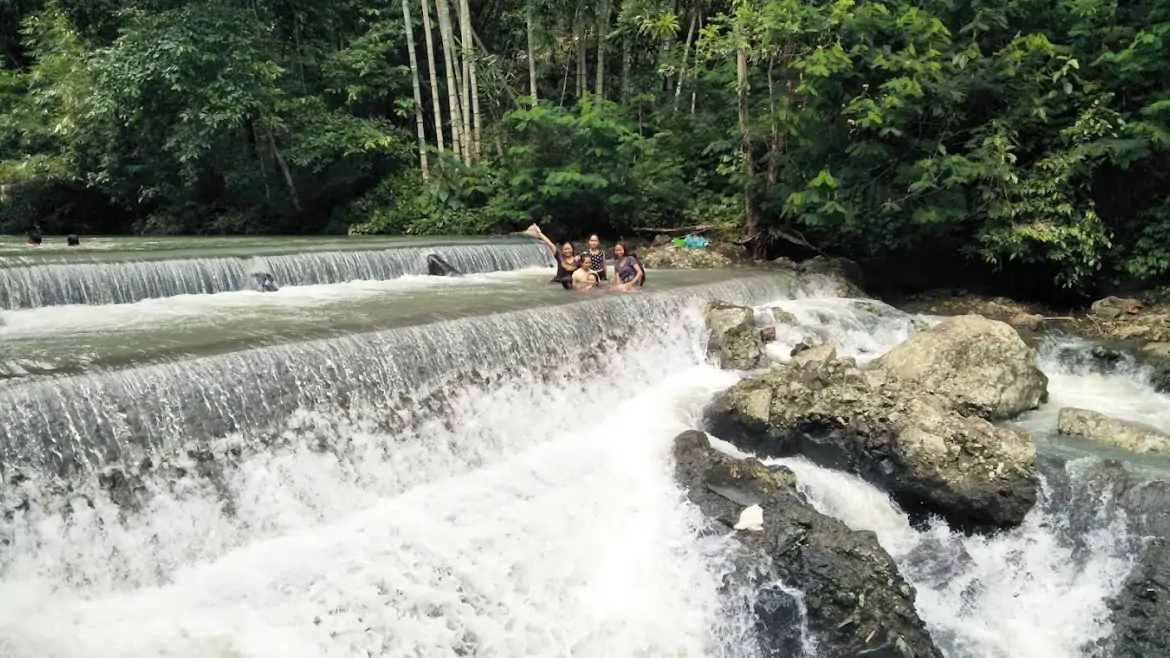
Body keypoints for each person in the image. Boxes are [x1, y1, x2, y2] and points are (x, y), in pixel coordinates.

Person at [530, 224, 580, 289]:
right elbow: (550, 244)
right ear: (563, 250)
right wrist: (540, 233)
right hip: (557, 282)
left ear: (572, 249)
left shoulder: (577, 260)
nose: (567, 251)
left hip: (570, 283)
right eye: (565, 249)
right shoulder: (560, 256)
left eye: (569, 249)